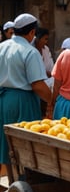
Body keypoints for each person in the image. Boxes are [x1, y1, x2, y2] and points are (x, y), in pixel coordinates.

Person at [0, 14, 52, 175]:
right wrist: (51, 100)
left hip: (3, 99)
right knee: (25, 145)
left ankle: (11, 183)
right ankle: (24, 184)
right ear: (31, 33)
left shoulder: (2, 47)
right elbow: (37, 85)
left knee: (6, 143)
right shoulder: (30, 51)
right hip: (23, 100)